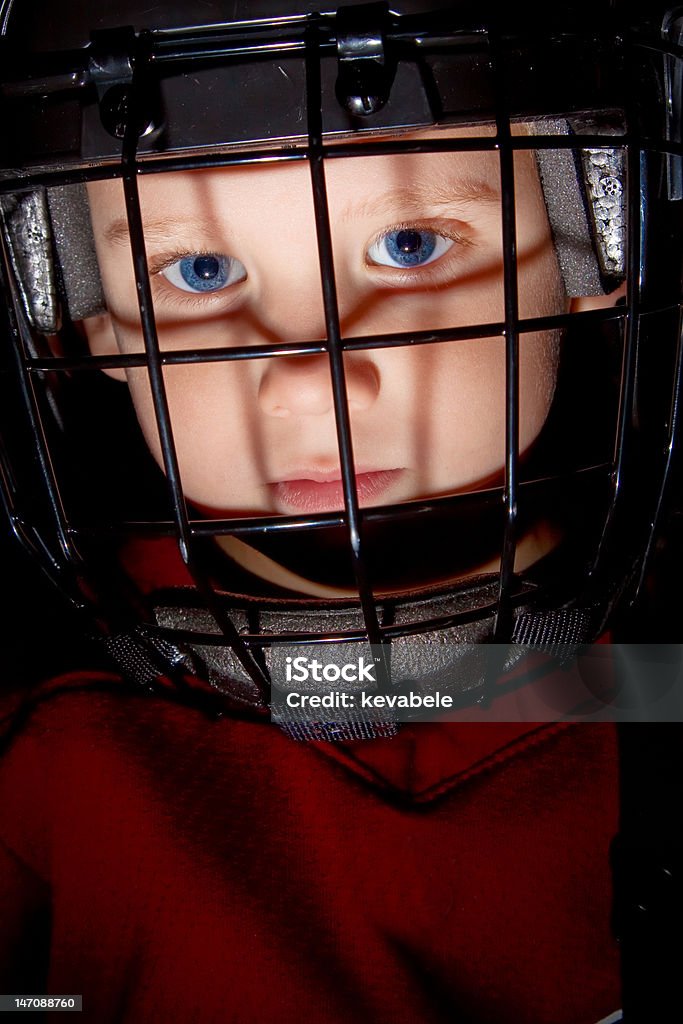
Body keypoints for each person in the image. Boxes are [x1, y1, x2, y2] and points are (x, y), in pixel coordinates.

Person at [0, 2, 680, 1021]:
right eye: (201, 271)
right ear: (77, 306)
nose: (309, 385)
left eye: (409, 244)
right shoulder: (49, 765)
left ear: (593, 228)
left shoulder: (653, 688)